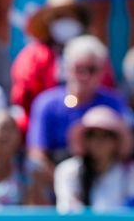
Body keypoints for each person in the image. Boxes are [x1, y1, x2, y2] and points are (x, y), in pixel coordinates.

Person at [27, 36, 128, 194]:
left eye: (92, 69)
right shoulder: (46, 103)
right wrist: (66, 185)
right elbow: (37, 156)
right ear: (65, 69)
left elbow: (124, 151)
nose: (85, 76)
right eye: (79, 69)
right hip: (55, 185)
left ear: (102, 72)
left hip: (105, 188)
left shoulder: (113, 103)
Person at [11, 0, 103, 117]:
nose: (65, 21)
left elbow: (105, 88)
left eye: (70, 15)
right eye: (60, 16)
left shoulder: (94, 53)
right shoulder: (34, 56)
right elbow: (23, 96)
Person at [53, 106, 134, 212]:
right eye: (92, 135)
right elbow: (68, 211)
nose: (98, 141)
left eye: (106, 135)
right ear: (85, 140)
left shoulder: (130, 171)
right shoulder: (68, 170)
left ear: (116, 141)